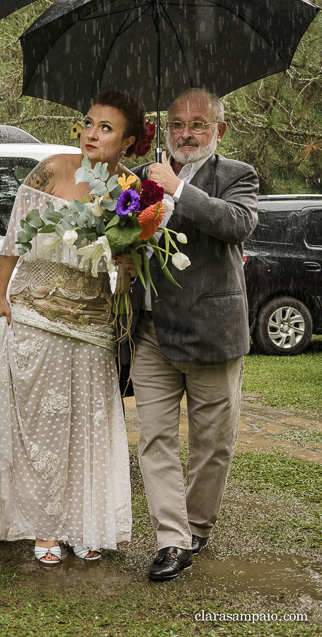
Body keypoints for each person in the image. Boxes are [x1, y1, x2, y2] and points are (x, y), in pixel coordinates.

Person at [0, 90, 148, 564]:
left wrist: (125, 261)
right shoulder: (53, 169)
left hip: (94, 327)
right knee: (42, 428)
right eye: (88, 123)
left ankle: (85, 525)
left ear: (129, 140)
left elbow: (125, 278)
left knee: (89, 429)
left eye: (106, 128)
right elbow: (15, 240)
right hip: (35, 316)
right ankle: (44, 529)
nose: (92, 134)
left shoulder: (132, 191)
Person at [128, 88, 258, 582]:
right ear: (165, 129)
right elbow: (124, 233)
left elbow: (237, 223)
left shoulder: (236, 176)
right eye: (177, 124)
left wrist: (178, 190)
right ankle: (172, 540)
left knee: (212, 443)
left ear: (218, 131)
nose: (186, 133)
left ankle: (198, 523)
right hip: (152, 333)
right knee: (154, 439)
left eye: (198, 124)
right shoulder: (142, 178)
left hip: (212, 334)